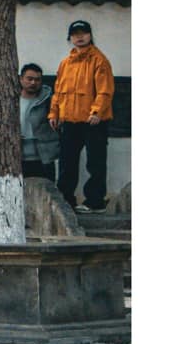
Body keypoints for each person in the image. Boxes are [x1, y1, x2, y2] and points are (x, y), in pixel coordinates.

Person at [49, 20, 116, 211]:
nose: (79, 37)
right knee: (67, 162)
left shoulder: (99, 60)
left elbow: (105, 91)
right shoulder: (65, 63)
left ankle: (95, 202)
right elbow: (58, 91)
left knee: (95, 163)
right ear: (70, 38)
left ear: (90, 35)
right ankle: (65, 201)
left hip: (93, 121)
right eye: (75, 34)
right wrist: (54, 113)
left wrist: (97, 112)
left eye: (83, 33)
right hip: (69, 120)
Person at [17, 63, 59, 180]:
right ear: (21, 79)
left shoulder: (48, 101)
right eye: (29, 79)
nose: (33, 83)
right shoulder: (11, 100)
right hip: (18, 158)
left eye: (37, 80)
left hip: (43, 157)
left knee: (45, 188)